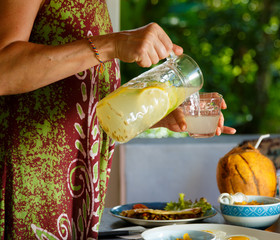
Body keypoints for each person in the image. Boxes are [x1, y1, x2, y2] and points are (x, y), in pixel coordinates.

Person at [0, 0, 236, 239]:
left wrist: (155, 115)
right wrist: (113, 43)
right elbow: (3, 69)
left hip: (77, 190)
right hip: (30, 186)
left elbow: (77, 99)